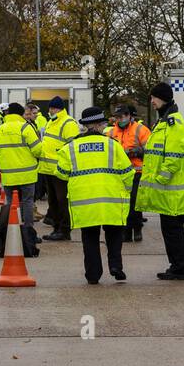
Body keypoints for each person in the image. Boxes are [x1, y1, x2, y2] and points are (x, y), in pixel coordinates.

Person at [57, 107, 133, 284]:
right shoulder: (113, 145)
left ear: (85, 126)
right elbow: (128, 172)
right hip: (111, 199)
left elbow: (60, 172)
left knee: (90, 238)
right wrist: (126, 191)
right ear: (99, 125)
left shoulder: (71, 147)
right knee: (114, 235)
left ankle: (93, 274)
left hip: (85, 202)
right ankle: (116, 266)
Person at [136, 82, 184, 281]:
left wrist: (161, 179)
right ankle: (177, 266)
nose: (151, 101)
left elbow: (172, 156)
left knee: (172, 231)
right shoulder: (164, 121)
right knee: (170, 230)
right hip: (168, 190)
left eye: (154, 97)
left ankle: (180, 268)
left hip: (171, 190)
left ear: (162, 98)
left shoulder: (173, 122)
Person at [0, 102, 42, 258]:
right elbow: (37, 149)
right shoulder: (25, 127)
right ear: (20, 113)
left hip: (9, 175)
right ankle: (28, 235)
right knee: (27, 203)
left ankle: (12, 234)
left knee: (11, 204)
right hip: (27, 174)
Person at [106, 103, 151, 242]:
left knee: (134, 203)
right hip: (118, 173)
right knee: (122, 203)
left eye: (122, 116)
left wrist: (136, 152)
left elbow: (150, 151)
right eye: (117, 117)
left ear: (129, 116)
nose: (120, 119)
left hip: (137, 171)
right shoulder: (111, 133)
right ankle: (126, 230)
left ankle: (136, 228)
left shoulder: (141, 130)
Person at [40, 97, 80, 241]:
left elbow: (72, 146)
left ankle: (64, 230)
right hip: (48, 169)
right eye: (50, 108)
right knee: (53, 202)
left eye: (52, 108)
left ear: (59, 109)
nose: (50, 111)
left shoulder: (68, 123)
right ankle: (56, 229)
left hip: (61, 170)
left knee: (62, 200)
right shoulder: (51, 121)